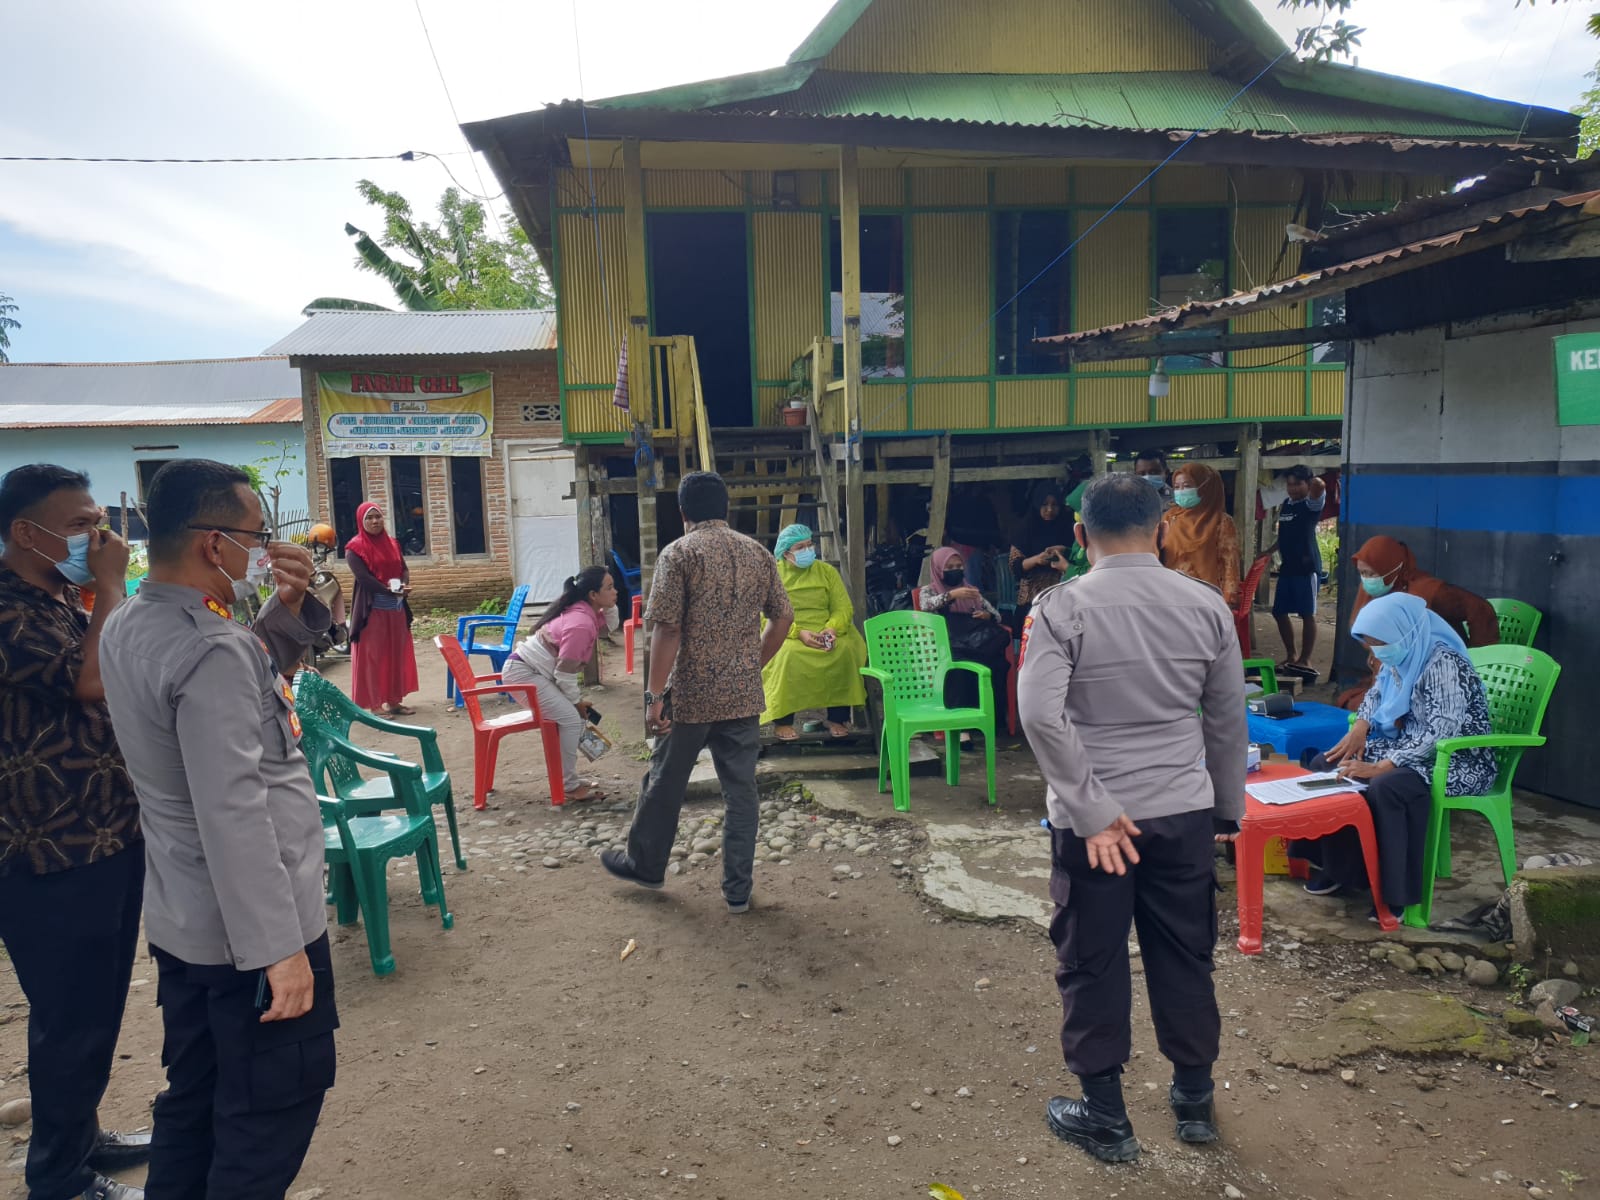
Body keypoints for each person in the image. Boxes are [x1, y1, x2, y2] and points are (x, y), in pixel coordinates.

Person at [98, 459, 336, 1200]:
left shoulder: (132, 622)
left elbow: (235, 690)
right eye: (256, 538)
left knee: (195, 1102)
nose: (262, 553)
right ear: (212, 543)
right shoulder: (210, 647)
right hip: (249, 938)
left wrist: (287, 607)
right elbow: (234, 810)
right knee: (265, 1118)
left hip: (186, 922)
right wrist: (280, 952)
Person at [1017, 473, 1247, 1165]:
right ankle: (1194, 1102)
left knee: (1092, 958)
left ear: (1081, 536)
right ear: (1161, 530)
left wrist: (1092, 810)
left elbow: (1037, 713)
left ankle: (1107, 1118)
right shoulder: (1205, 605)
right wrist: (1225, 810)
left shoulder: (1061, 608)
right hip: (1181, 811)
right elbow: (1228, 718)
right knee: (1185, 953)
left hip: (1096, 830)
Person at [0, 466, 150, 1200]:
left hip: (103, 832)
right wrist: (112, 586)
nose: (101, 537)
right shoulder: (6, 609)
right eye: (83, 524)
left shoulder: (56, 596)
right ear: (28, 533)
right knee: (70, 1018)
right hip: (49, 849)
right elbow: (91, 680)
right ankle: (57, 1178)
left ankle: (82, 1137)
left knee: (97, 1006)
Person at [600, 472, 794, 913]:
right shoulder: (759, 554)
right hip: (742, 695)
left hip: (689, 696)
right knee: (741, 792)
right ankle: (738, 891)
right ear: (725, 508)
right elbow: (782, 618)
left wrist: (652, 698)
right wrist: (752, 664)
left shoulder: (679, 554)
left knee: (665, 782)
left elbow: (667, 628)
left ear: (683, 512)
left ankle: (646, 867)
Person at [1293, 592, 1494, 916]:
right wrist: (1361, 726)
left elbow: (1444, 730)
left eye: (1380, 643)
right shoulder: (1401, 655)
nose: (1377, 652)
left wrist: (1385, 765)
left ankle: (1394, 893)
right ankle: (1342, 870)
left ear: (1405, 632)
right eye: (1371, 644)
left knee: (1388, 787)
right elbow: (1376, 694)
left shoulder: (1442, 662)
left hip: (1458, 758)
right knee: (1326, 763)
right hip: (1409, 744)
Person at [1335, 535, 1499, 709]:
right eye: (1362, 573)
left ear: (1393, 568)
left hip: (1433, 675)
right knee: (1356, 705)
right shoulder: (1372, 591)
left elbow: (1480, 610)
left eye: (1371, 574)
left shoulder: (1429, 591)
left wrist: (1478, 662)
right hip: (1395, 674)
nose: (1367, 580)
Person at [502, 566, 619, 803]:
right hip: (524, 674)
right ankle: (569, 785)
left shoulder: (586, 613)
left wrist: (611, 604)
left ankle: (570, 780)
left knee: (573, 717)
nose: (616, 591)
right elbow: (564, 674)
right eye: (609, 588)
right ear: (593, 595)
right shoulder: (581, 623)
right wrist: (575, 702)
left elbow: (610, 627)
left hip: (535, 674)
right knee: (569, 717)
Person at [760, 525, 867, 740]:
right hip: (787, 632)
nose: (807, 550)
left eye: (810, 545)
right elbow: (767, 614)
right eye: (800, 547)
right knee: (787, 656)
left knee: (844, 651)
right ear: (785, 552)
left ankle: (837, 718)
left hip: (827, 629)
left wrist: (831, 628)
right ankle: (782, 720)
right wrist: (798, 633)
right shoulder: (773, 575)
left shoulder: (827, 572)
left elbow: (842, 607)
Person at [920, 546, 1011, 732]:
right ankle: (961, 729)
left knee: (998, 665)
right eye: (949, 567)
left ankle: (992, 721)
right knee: (958, 668)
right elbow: (925, 606)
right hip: (948, 644)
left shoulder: (971, 591)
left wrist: (985, 615)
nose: (955, 570)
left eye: (959, 566)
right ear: (938, 569)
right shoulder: (929, 590)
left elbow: (997, 616)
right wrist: (951, 595)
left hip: (976, 644)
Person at [344, 500, 418, 716]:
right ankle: (374, 705)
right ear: (361, 521)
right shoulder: (354, 548)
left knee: (395, 654)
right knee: (373, 657)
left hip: (396, 610)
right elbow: (364, 578)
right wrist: (389, 591)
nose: (375, 521)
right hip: (372, 611)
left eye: (378, 516)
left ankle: (394, 701)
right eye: (369, 517)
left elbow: (403, 568)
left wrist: (402, 585)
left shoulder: (393, 543)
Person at [1266, 465, 1327, 677]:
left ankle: (1305, 659)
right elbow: (1284, 536)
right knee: (1279, 612)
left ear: (1307, 484)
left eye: (1297, 484)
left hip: (1307, 567)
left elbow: (1320, 485)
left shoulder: (1311, 504)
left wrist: (1311, 480)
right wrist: (1267, 552)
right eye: (1289, 484)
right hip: (1288, 566)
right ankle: (1291, 656)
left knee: (1307, 614)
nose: (1292, 489)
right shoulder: (1286, 504)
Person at [1007, 482, 1084, 629]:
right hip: (1031, 597)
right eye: (1044, 504)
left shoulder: (1070, 529)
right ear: (1036, 504)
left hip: (1063, 595)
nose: (1049, 510)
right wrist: (1036, 560)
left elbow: (1078, 558)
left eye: (1054, 505)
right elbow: (1014, 565)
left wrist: (1063, 552)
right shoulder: (1025, 529)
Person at [1163, 463, 1240, 607]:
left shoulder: (1221, 522)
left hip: (1207, 597)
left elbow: (1229, 562)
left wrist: (1228, 597)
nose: (1181, 491)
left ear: (1205, 487)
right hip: (1171, 594)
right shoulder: (1169, 518)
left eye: (1187, 486)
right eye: (1177, 487)